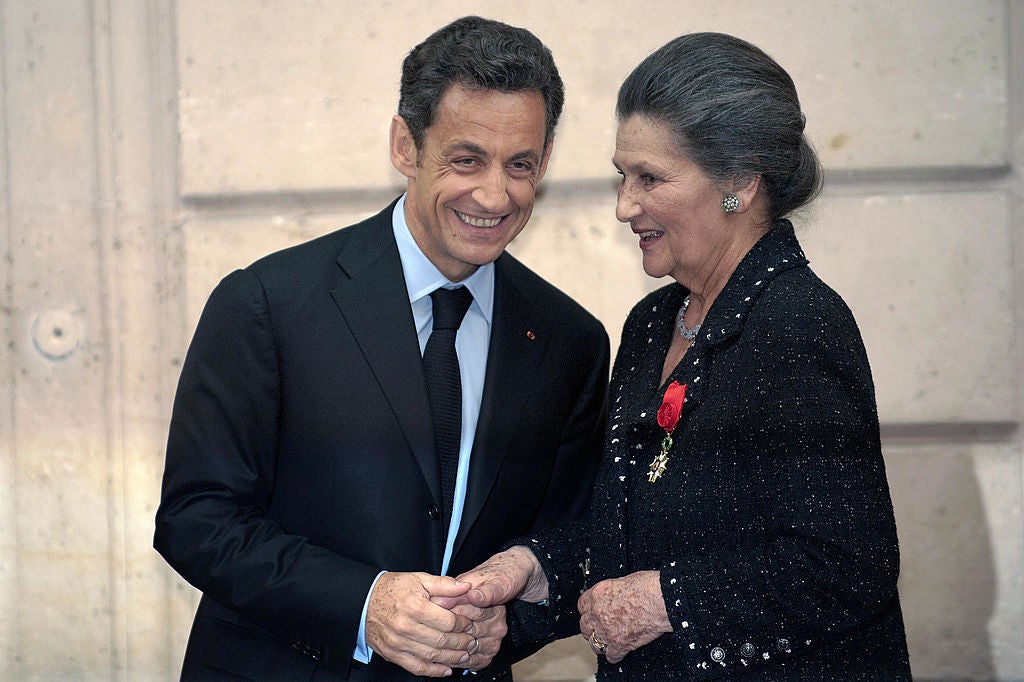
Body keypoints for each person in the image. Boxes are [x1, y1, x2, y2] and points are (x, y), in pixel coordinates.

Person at [153, 16, 610, 681]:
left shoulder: (571, 341)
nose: (495, 194)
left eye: (521, 165)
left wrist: (507, 619)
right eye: (466, 159)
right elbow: (196, 520)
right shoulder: (268, 304)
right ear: (405, 145)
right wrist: (363, 605)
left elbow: (573, 537)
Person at [449, 32, 912, 679]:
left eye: (650, 178)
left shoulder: (798, 324)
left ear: (740, 182)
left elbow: (847, 564)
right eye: (622, 177)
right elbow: (630, 526)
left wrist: (669, 602)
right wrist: (531, 568)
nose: (623, 206)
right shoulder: (650, 324)